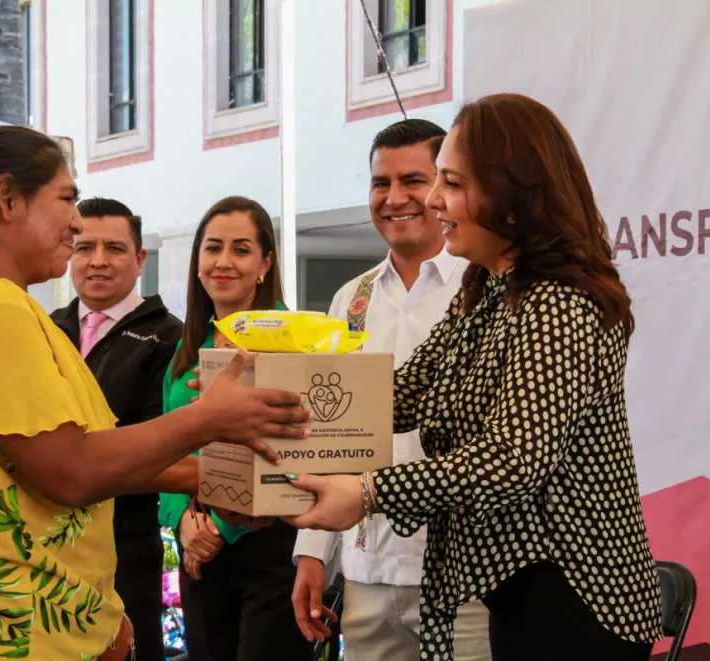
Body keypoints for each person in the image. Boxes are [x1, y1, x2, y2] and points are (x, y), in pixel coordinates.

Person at [0, 127, 311, 661]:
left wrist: (211, 478)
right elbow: (72, 469)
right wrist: (208, 420)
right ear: (8, 199)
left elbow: (48, 456)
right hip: (1, 632)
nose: (77, 222)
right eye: (66, 198)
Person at [284, 93, 663, 661]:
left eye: (451, 184)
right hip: (513, 589)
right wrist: (265, 405)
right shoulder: (485, 290)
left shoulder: (559, 302)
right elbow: (400, 394)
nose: (434, 200)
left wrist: (367, 492)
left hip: (575, 595)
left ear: (512, 198)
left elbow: (514, 457)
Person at [291, 119, 490, 661]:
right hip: (366, 573)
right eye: (381, 183)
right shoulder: (348, 301)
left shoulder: (486, 288)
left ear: (446, 187)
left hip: (465, 573)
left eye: (413, 180)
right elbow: (330, 438)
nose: (396, 198)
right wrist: (312, 552)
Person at [158, 196, 313, 661]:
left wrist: (219, 530)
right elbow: (164, 447)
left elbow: (294, 449)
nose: (223, 262)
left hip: (273, 546)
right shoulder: (187, 348)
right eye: (212, 249)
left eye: (241, 250)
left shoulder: (297, 339)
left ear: (266, 263)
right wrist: (181, 523)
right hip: (198, 548)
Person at [51, 196, 186, 661]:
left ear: (139, 258)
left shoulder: (171, 337)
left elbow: (159, 443)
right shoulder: (48, 329)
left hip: (124, 543)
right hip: (46, 546)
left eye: (115, 248)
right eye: (85, 247)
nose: (98, 261)